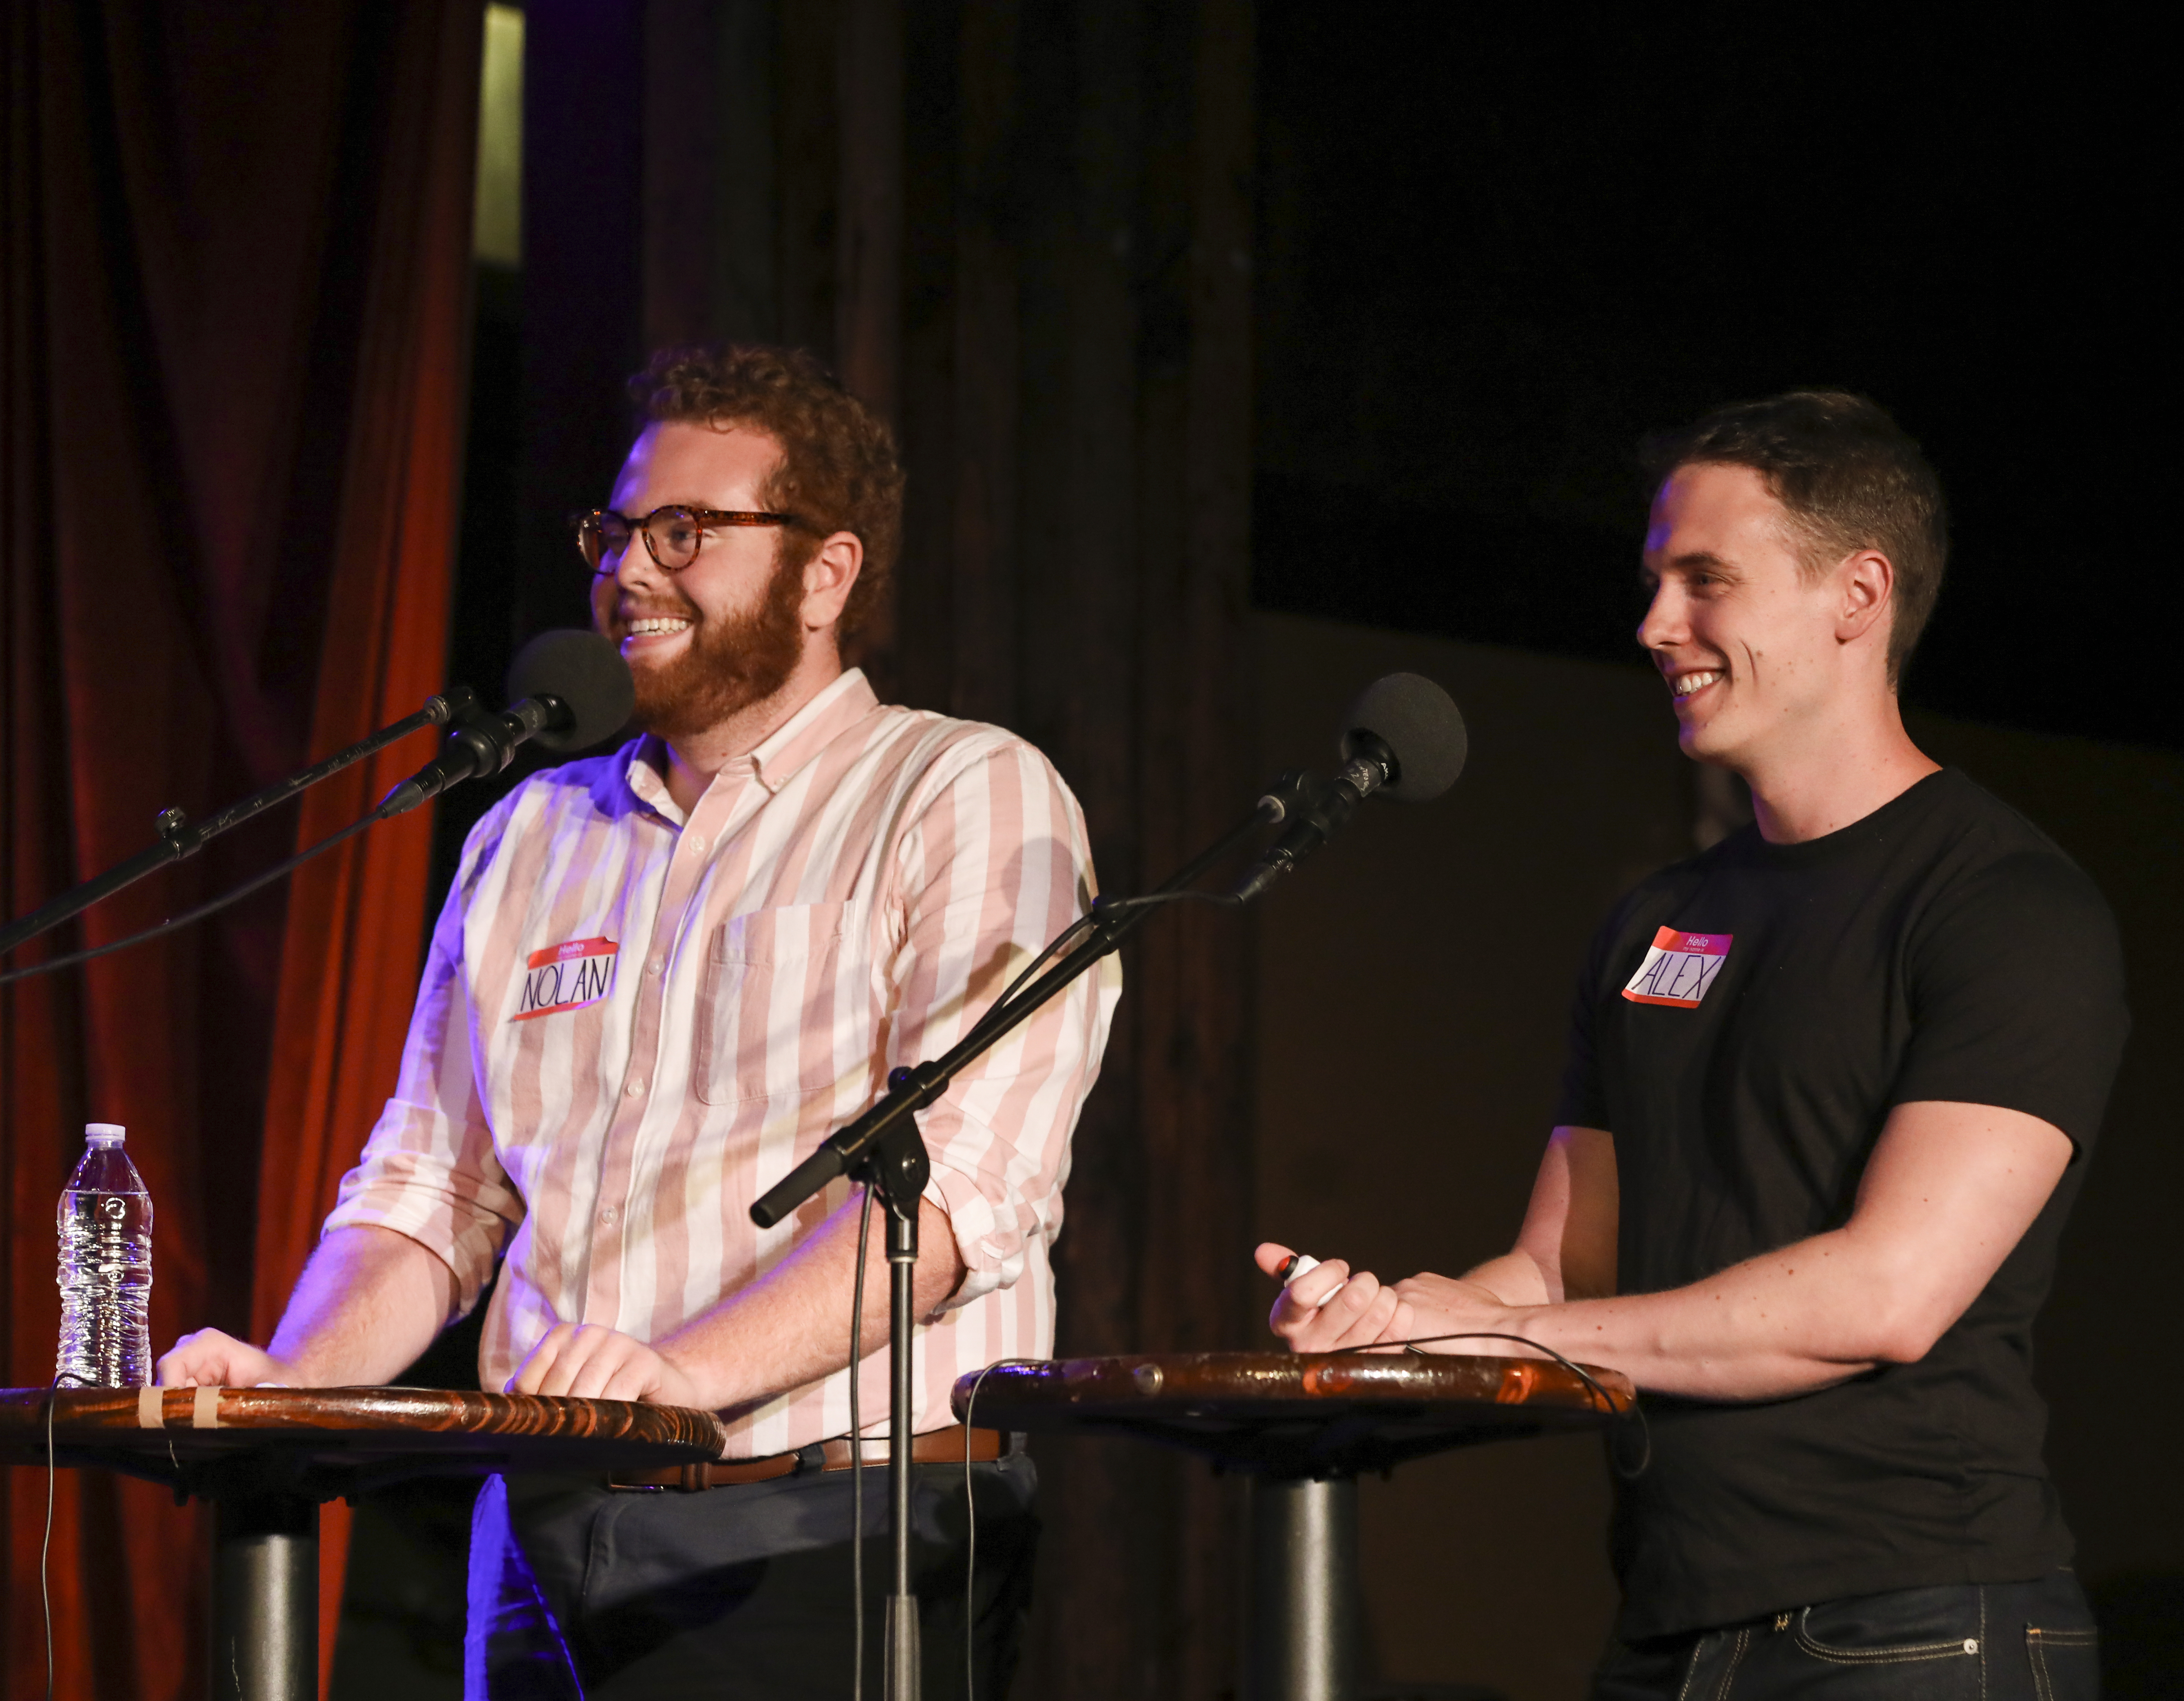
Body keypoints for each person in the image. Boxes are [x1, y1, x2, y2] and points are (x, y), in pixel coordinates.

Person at [161, 342, 1118, 1699]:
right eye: (614, 532)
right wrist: (287, 1382)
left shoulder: (962, 794)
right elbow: (433, 1191)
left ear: (825, 573)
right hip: (540, 1525)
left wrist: (670, 1377)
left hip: (828, 1521)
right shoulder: (532, 832)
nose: (630, 571)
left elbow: (964, 1195)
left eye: (686, 532)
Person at [1258, 392, 2124, 1699]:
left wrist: (1506, 1342)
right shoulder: (1657, 920)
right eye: (1654, 581)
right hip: (1668, 1625)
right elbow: (1556, 1270)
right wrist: (1390, 1325)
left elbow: (1883, 1300)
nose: (1654, 627)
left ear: (1857, 594)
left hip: (1913, 1626)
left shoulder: (2002, 905)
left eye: (1704, 580)